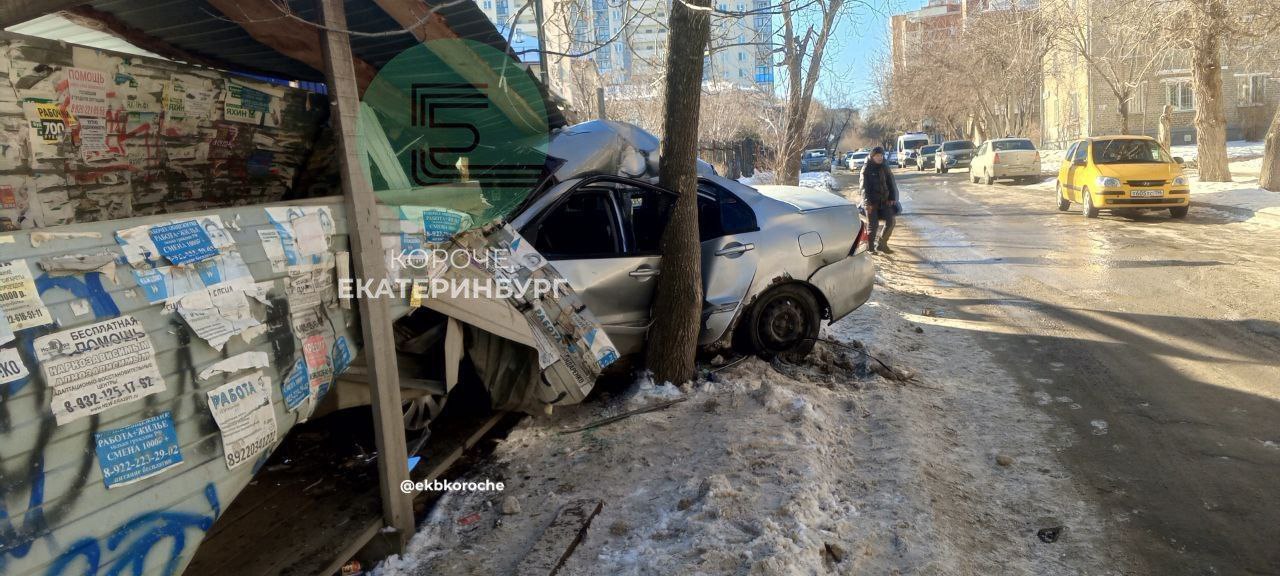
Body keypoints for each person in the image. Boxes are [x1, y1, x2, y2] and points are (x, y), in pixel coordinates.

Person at [860, 146, 899, 254]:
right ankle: (871, 248)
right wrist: (867, 202)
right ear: (872, 156)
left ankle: (881, 244)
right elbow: (863, 188)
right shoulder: (866, 168)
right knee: (873, 225)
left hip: (884, 201)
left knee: (890, 222)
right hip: (871, 203)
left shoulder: (884, 167)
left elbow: (890, 183)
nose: (880, 158)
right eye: (877, 156)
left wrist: (891, 198)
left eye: (881, 155)